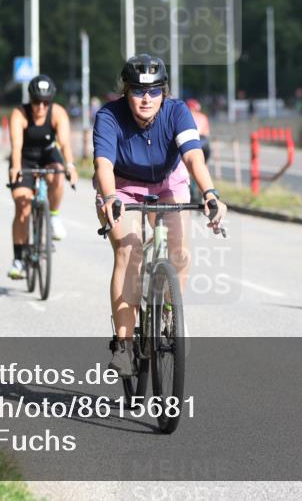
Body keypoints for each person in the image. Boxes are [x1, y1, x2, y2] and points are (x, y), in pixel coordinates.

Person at [93, 54, 227, 376]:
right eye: (138, 91)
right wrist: (110, 198)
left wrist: (210, 193)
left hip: (168, 183)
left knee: (180, 251)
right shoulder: (109, 116)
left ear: (164, 92)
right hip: (122, 187)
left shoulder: (177, 112)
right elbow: (103, 165)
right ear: (126, 91)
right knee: (129, 253)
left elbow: (193, 157)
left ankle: (169, 312)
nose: (146, 98)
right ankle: (124, 346)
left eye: (154, 91)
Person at [7, 75, 79, 279]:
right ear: (30, 99)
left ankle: (54, 215)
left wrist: (70, 166)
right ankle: (18, 259)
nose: (41, 107)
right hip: (25, 158)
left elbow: (64, 144)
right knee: (22, 206)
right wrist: (16, 168)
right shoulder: (19, 114)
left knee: (57, 173)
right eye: (37, 101)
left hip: (48, 154)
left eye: (46, 102)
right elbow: (16, 145)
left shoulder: (58, 113)